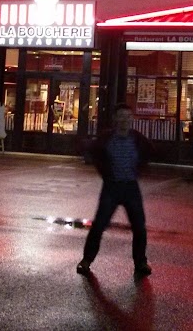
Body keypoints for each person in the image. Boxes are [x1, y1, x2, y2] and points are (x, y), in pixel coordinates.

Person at [77, 103, 153, 277]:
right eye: (121, 116)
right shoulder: (106, 139)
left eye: (128, 116)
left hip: (131, 187)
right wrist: (100, 169)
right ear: (115, 119)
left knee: (139, 227)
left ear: (132, 119)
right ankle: (86, 260)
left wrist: (140, 169)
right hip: (111, 187)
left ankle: (140, 262)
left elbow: (149, 151)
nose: (125, 120)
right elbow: (93, 150)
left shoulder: (137, 138)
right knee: (99, 226)